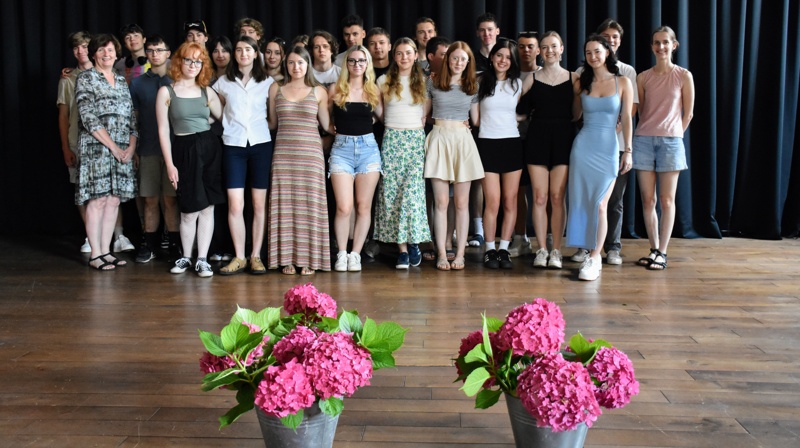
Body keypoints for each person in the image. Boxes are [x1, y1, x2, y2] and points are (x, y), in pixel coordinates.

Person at [570, 19, 640, 266]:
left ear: (607, 52)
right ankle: (586, 249)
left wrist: (628, 151)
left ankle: (596, 256)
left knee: (602, 204)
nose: (593, 56)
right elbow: (575, 115)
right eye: (588, 52)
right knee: (582, 201)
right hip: (583, 147)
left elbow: (628, 118)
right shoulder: (582, 82)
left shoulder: (623, 81)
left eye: (597, 51)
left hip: (610, 147)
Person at [157, 42, 225, 278]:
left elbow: (225, 118)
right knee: (189, 208)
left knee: (208, 207)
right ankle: (186, 256)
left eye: (198, 61)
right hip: (184, 149)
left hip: (209, 147)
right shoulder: (167, 91)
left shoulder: (207, 91)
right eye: (189, 60)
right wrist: (170, 164)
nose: (193, 65)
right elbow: (163, 130)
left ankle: (202, 259)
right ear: (180, 61)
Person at [267, 46, 333, 275]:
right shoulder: (276, 88)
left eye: (300, 63)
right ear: (286, 64)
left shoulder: (319, 91)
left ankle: (309, 259)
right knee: (285, 206)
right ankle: (286, 258)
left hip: (311, 157)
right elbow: (272, 124)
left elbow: (327, 125)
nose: (296, 67)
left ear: (308, 65)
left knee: (310, 207)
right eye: (292, 63)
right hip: (283, 156)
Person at [633, 26, 695, 271]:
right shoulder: (643, 77)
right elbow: (640, 111)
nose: (661, 47)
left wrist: (674, 133)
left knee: (667, 200)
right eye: (657, 43)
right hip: (644, 141)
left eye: (665, 42)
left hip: (671, 142)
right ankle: (653, 248)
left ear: (674, 45)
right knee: (648, 200)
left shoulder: (683, 76)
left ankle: (663, 252)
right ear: (652, 47)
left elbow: (688, 113)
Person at [212, 36, 275, 275]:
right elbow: (217, 111)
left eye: (248, 49)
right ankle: (239, 256)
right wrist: (229, 126)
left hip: (260, 145)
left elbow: (273, 120)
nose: (243, 53)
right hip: (233, 146)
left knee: (259, 204)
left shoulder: (268, 82)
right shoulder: (223, 82)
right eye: (239, 50)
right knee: (235, 204)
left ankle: (255, 256)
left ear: (256, 53)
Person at [75, 34, 138, 270]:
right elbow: (88, 117)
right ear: (93, 54)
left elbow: (132, 117)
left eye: (110, 50)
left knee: (113, 200)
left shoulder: (121, 81)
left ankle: (106, 251)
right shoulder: (86, 78)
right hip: (97, 148)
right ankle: (96, 254)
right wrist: (114, 147)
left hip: (122, 150)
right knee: (98, 199)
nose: (106, 54)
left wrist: (131, 147)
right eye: (101, 50)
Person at [518, 31, 579, 269]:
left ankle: (556, 251)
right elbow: (519, 111)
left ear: (561, 49)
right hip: (537, 138)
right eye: (544, 47)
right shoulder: (531, 78)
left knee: (557, 196)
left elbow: (578, 113)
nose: (549, 51)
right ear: (539, 52)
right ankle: (542, 249)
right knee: (540, 197)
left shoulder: (574, 78)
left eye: (554, 46)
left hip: (564, 138)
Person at [424, 41, 484, 271]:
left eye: (463, 59)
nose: (458, 62)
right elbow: (424, 115)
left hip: (462, 141)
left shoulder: (472, 85)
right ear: (448, 59)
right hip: (439, 138)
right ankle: (441, 253)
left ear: (469, 62)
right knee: (440, 202)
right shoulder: (433, 81)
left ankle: (460, 254)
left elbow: (476, 120)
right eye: (455, 58)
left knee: (461, 203)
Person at [374, 38, 431, 269]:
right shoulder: (383, 81)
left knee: (412, 194)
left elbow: (425, 113)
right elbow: (380, 112)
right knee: (393, 194)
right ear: (394, 56)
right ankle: (403, 250)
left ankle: (414, 241)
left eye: (408, 53)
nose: (404, 57)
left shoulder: (425, 81)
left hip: (415, 140)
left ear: (415, 55)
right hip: (392, 139)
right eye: (399, 53)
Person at [476, 38, 532, 270]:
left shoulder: (517, 84)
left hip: (511, 145)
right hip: (487, 144)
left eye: (508, 57)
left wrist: (519, 118)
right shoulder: (480, 81)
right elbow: (476, 117)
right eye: (499, 55)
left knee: (510, 201)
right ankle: (490, 249)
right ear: (492, 57)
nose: (503, 60)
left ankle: (504, 249)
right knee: (493, 201)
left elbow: (516, 111)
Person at [328, 45, 383, 272]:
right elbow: (325, 119)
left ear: (367, 64)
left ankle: (356, 254)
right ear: (346, 63)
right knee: (344, 206)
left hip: (368, 149)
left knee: (363, 206)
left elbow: (384, 117)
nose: (357, 65)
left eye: (361, 61)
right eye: (352, 61)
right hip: (341, 149)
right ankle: (342, 253)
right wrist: (333, 131)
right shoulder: (335, 89)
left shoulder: (373, 90)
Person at [129, 35, 179, 263]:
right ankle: (149, 245)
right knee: (149, 200)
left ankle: (175, 246)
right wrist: (134, 149)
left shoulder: (178, 79)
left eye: (159, 50)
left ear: (168, 53)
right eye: (150, 50)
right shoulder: (138, 83)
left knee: (171, 200)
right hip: (148, 148)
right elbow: (134, 120)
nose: (154, 54)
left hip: (174, 151)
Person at [57, 30, 93, 254]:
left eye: (85, 46)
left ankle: (116, 234)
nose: (80, 51)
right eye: (76, 47)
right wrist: (65, 148)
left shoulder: (105, 72)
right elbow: (63, 115)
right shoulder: (68, 79)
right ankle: (91, 235)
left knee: (106, 191)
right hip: (76, 141)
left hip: (102, 142)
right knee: (81, 190)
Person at [507, 31, 541, 258]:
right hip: (515, 140)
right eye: (521, 46)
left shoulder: (546, 74)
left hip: (540, 140)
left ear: (538, 50)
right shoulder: (510, 76)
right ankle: (520, 237)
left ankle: (549, 240)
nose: (526, 50)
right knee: (518, 192)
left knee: (545, 192)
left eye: (530, 46)